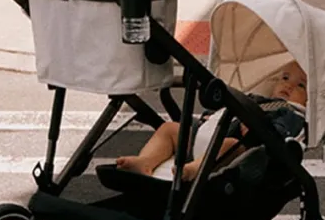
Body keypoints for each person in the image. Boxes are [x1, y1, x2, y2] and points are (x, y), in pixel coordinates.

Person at [114, 62, 307, 180]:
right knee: (169, 129)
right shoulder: (256, 99)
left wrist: (257, 128)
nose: (288, 86)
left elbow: (280, 135)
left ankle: (192, 170)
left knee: (228, 145)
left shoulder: (291, 113)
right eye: (285, 78)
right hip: (207, 134)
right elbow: (222, 110)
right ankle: (145, 162)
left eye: (300, 85)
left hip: (237, 149)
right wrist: (208, 116)